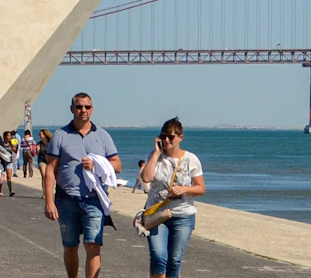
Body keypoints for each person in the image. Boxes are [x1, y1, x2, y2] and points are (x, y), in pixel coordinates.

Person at [42, 92, 123, 278]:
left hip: (95, 199)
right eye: (79, 107)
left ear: (92, 109)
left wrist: (98, 165)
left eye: (87, 107)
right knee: (70, 246)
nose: (83, 110)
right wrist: (49, 202)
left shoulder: (102, 136)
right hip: (66, 199)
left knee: (93, 245)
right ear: (72, 109)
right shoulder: (60, 135)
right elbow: (50, 170)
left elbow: (117, 165)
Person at [136, 118, 204, 278]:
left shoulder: (190, 159)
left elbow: (201, 188)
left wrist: (184, 189)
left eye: (171, 137)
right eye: (164, 136)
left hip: (183, 215)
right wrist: (156, 154)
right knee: (159, 256)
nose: (167, 140)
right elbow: (146, 178)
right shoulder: (154, 156)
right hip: (157, 214)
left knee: (174, 260)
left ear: (180, 137)